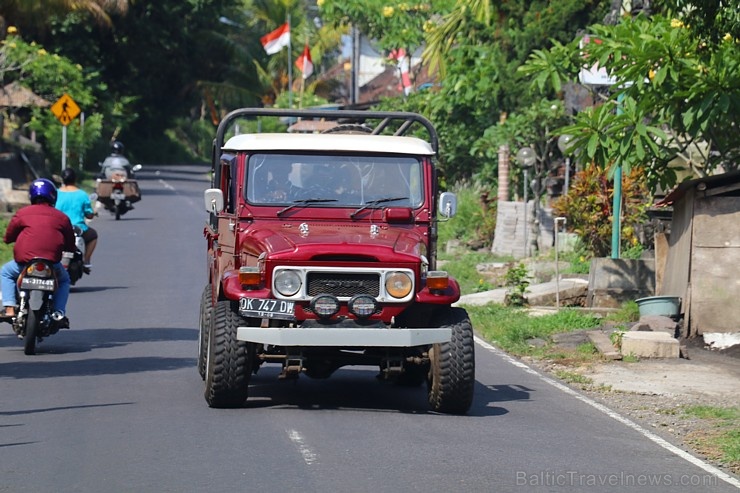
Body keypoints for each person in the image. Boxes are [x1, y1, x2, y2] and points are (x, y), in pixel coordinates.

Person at [1, 178, 75, 324]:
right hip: (51, 265)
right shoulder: (62, 217)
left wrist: (11, 240)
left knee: (5, 272)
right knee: (65, 280)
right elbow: (70, 244)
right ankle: (59, 312)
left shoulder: (22, 213)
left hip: (24, 263)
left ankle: (9, 308)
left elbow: (8, 236)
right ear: (53, 196)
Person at [56, 168, 97, 272]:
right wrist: (92, 213)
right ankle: (86, 260)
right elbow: (89, 215)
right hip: (78, 229)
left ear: (62, 179)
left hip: (59, 228)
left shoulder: (56, 193)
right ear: (75, 179)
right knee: (93, 235)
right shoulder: (82, 194)